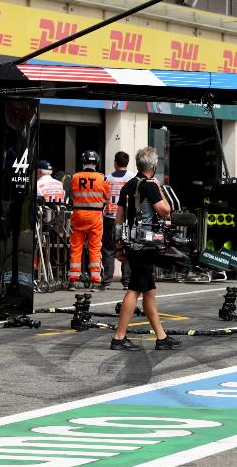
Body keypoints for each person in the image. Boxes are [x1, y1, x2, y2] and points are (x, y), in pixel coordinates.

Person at [110, 147, 181, 351]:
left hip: (132, 244)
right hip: (145, 245)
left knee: (149, 291)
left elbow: (119, 219)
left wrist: (118, 246)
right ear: (154, 166)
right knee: (135, 289)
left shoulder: (128, 186)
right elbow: (165, 211)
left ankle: (161, 336)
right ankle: (119, 337)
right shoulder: (150, 185)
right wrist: (159, 189)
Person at [68, 151, 109, 291]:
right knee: (95, 248)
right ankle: (95, 281)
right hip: (95, 217)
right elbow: (107, 197)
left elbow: (71, 195)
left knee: (76, 248)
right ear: (96, 162)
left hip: (78, 215)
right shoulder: (101, 178)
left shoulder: (75, 177)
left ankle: (73, 281)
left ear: (83, 161)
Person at [103, 151, 135, 291]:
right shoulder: (132, 178)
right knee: (126, 248)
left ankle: (106, 281)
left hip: (110, 217)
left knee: (109, 249)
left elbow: (103, 198)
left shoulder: (107, 178)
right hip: (126, 219)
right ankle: (127, 281)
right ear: (126, 163)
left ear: (115, 163)